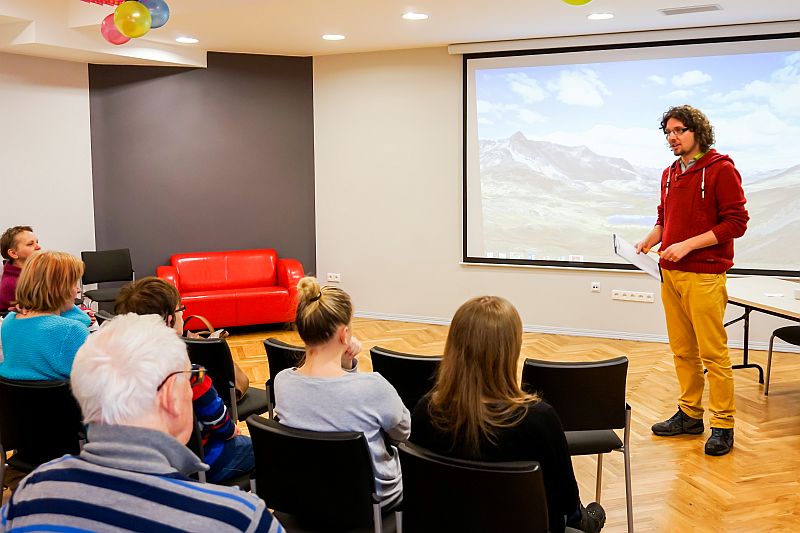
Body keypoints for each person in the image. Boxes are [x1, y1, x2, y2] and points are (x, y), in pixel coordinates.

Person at [0, 313, 282, 532]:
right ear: (170, 396)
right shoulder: (238, 518)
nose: (193, 385)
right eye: (190, 378)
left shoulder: (29, 493)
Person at [410, 296, 605, 533]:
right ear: (512, 350)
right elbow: (565, 502)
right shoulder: (538, 419)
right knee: (590, 515)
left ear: (453, 347)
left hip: (448, 526)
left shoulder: (426, 411)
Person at [636, 105, 748, 457]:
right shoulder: (669, 173)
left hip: (705, 277)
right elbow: (664, 218)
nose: (672, 138)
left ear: (697, 131)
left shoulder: (721, 169)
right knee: (683, 351)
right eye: (668, 132)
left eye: (679, 130)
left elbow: (736, 223)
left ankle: (723, 425)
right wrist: (651, 239)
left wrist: (686, 245)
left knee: (713, 354)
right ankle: (689, 415)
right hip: (669, 276)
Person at [274, 276, 410, 509]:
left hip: (305, 496)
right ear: (345, 334)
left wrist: (346, 366)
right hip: (370, 502)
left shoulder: (282, 382)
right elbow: (402, 432)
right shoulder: (374, 387)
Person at [114, 276, 255, 483]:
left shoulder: (117, 371)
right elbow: (220, 424)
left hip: (144, 466)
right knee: (266, 447)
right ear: (169, 320)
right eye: (181, 309)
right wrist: (233, 430)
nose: (183, 314)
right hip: (199, 462)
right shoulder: (190, 375)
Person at [0, 251, 90, 381]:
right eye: (73, 284)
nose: (78, 290)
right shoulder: (71, 330)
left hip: (12, 394)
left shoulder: (9, 321)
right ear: (59, 289)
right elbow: (94, 381)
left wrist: (35, 303)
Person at [0, 226, 40, 312]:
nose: (38, 247)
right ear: (13, 253)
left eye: (37, 242)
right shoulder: (12, 284)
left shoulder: (34, 272)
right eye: (30, 244)